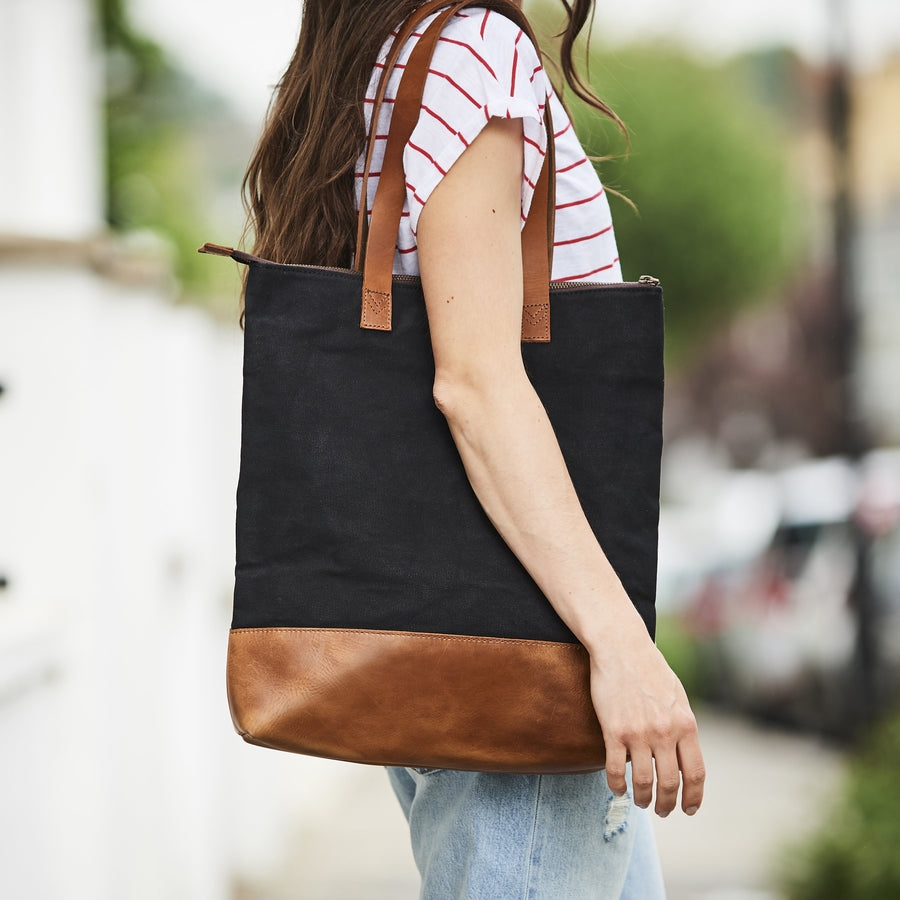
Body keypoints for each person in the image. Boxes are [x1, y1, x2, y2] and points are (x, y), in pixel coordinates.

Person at [242, 1, 705, 896]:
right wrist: (624, 651)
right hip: (527, 645)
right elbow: (479, 386)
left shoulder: (374, 60)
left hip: (461, 630)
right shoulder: (475, 53)